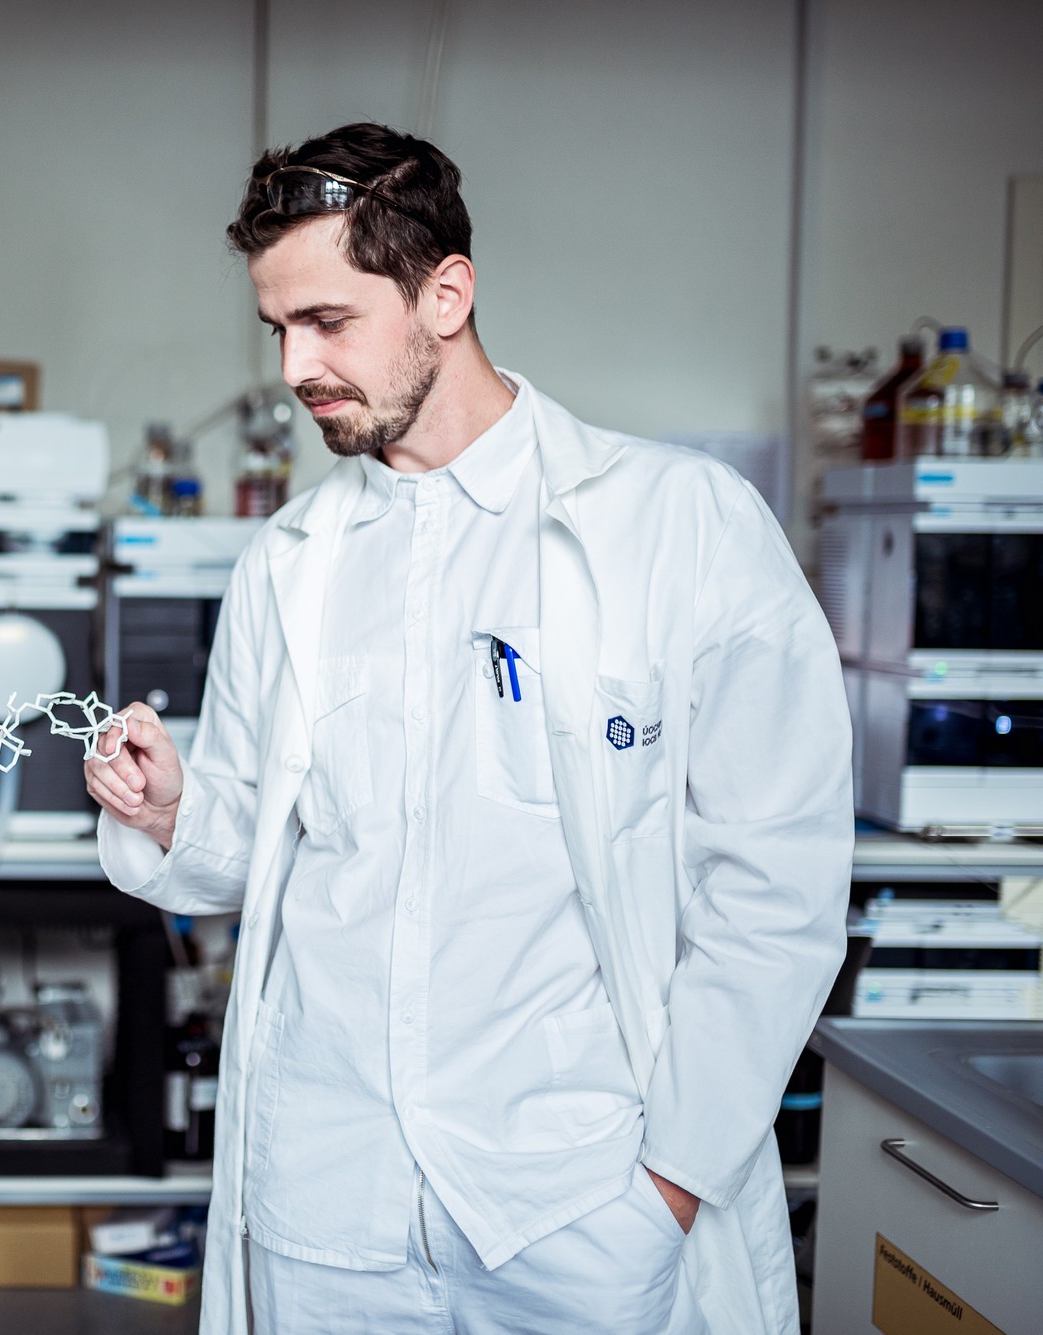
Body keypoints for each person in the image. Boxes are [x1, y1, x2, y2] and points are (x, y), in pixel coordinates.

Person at [86, 122, 850, 1335]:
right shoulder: (286, 564)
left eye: (327, 322)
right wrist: (177, 809)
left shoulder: (676, 527)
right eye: (276, 328)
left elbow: (774, 885)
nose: (292, 367)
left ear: (445, 293)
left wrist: (666, 1187)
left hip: (575, 1204)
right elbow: (252, 857)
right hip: (326, 1206)